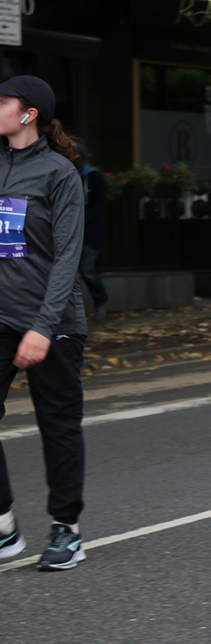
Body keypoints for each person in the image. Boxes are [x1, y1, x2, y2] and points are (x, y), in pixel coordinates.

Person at [0, 74, 90, 571]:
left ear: (28, 114)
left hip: (51, 320)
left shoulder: (59, 173)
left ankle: (66, 530)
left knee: (57, 425)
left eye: (3, 102)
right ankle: (3, 529)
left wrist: (42, 326)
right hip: (1, 315)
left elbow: (67, 258)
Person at [73, 143, 109, 321]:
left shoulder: (93, 177)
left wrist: (82, 219)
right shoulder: (69, 176)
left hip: (90, 233)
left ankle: (101, 301)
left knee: (87, 269)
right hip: (72, 233)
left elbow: (100, 204)